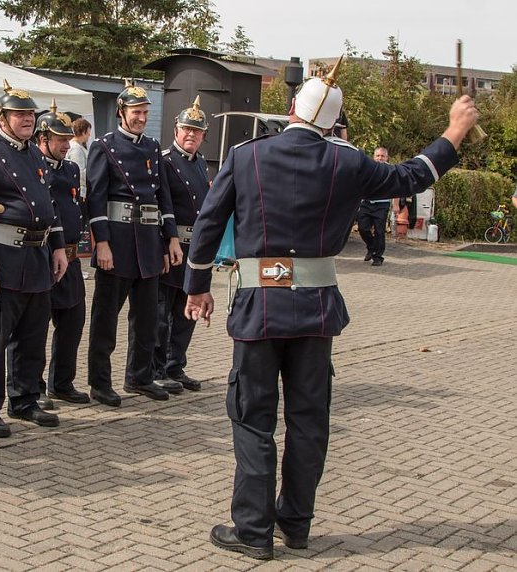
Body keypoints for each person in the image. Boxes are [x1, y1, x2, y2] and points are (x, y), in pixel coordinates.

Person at [183, 57, 479, 560]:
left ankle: (253, 530)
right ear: (332, 123)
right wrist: (454, 130)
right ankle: (295, 524)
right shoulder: (349, 161)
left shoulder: (247, 155)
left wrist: (196, 287)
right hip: (316, 311)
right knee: (308, 420)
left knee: (253, 418)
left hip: (258, 309)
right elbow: (412, 176)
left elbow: (209, 224)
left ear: (292, 110)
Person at [0, 80, 68, 438]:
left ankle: (24, 399)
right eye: (19, 114)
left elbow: (49, 206)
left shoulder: (36, 155)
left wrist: (57, 246)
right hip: (2, 259)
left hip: (37, 259)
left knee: (32, 337)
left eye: (30, 114)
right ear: (1, 118)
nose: (27, 119)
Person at [86, 80, 183, 407]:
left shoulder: (153, 147)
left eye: (145, 112)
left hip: (149, 243)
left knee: (147, 320)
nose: (141, 118)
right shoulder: (103, 146)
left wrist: (170, 239)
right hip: (118, 243)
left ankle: (139, 377)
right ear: (121, 112)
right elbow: (95, 199)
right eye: (136, 112)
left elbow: (163, 196)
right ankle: (100, 383)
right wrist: (101, 243)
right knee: (105, 319)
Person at [34, 101, 91, 406]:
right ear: (42, 139)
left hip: (70, 257)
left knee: (73, 321)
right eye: (59, 140)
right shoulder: (34, 167)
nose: (66, 145)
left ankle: (62, 382)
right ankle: (33, 386)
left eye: (68, 139)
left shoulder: (70, 169)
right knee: (36, 327)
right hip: (43, 256)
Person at [153, 96, 211, 392]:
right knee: (162, 313)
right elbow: (161, 204)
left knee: (187, 312)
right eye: (187, 129)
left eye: (197, 131)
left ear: (203, 135)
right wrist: (165, 243)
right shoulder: (165, 161)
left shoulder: (200, 163)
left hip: (194, 248)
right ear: (176, 130)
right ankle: (157, 367)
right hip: (171, 245)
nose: (191, 135)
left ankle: (175, 365)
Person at [357, 146, 392, 266]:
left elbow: (396, 188)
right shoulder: (367, 169)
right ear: (373, 157)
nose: (380, 158)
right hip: (366, 203)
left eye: (382, 156)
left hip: (382, 204)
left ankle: (378, 257)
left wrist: (396, 205)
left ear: (387, 158)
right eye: (378, 156)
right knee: (363, 228)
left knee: (379, 231)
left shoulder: (391, 171)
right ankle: (371, 247)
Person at [64, 117, 92, 199]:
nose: (89, 135)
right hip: (79, 192)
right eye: (88, 133)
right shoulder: (76, 148)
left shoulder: (76, 146)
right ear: (83, 132)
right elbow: (79, 171)